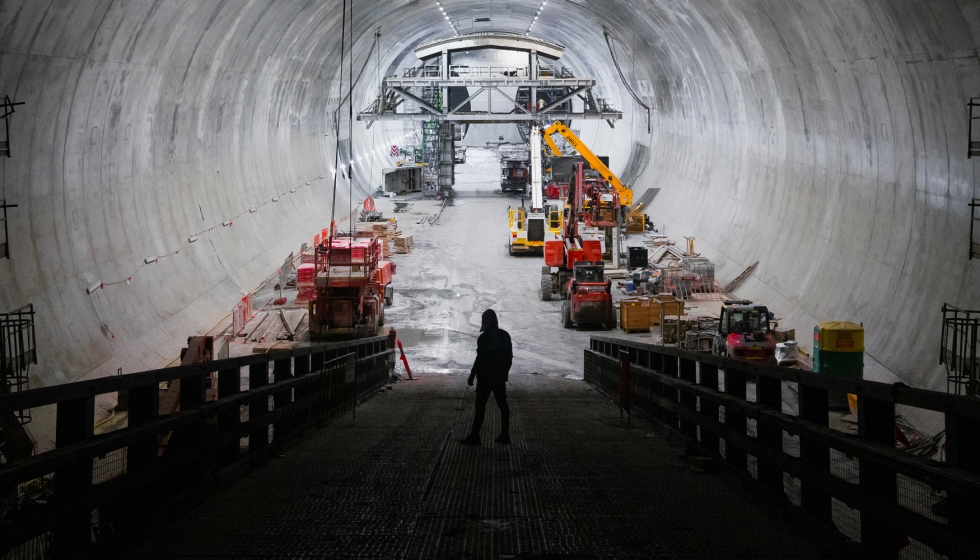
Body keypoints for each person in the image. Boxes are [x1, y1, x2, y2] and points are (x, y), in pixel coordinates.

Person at [460, 309, 513, 445]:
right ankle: (505, 434)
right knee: (503, 405)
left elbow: (480, 359)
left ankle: (475, 435)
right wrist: (504, 373)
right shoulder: (505, 336)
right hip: (499, 378)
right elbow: (508, 358)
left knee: (480, 407)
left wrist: (472, 375)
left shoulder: (483, 338)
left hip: (485, 378)